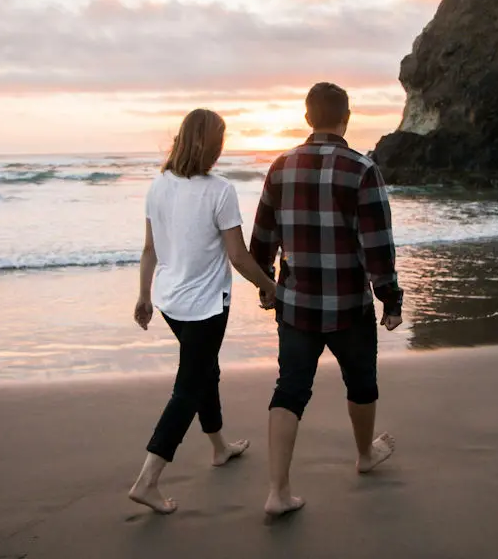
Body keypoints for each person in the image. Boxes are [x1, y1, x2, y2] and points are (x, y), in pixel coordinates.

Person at [249, 83, 404, 516]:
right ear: (347, 117)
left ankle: (277, 492)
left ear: (306, 118)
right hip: (349, 304)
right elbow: (377, 246)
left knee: (290, 389)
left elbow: (262, 236)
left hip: (296, 304)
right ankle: (364, 456)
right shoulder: (362, 169)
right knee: (361, 383)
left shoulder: (280, 166)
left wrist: (265, 285)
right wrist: (390, 301)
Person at [129, 109, 276, 515]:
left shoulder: (158, 186)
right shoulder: (220, 191)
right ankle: (147, 481)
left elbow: (149, 250)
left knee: (203, 371)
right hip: (206, 308)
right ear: (212, 145)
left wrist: (144, 296)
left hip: (170, 302)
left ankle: (218, 447)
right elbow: (239, 257)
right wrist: (272, 288)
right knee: (190, 386)